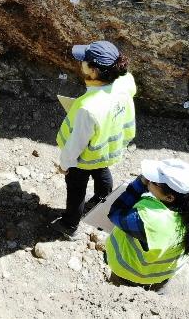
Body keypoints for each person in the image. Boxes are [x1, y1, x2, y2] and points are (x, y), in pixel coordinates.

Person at [54, 40, 137, 239]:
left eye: (84, 61)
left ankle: (70, 224)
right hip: (107, 150)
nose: (80, 63)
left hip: (85, 159)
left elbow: (76, 144)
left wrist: (65, 164)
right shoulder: (125, 82)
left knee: (76, 189)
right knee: (102, 172)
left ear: (93, 71)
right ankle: (102, 201)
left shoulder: (87, 108)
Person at [106, 159, 189, 288]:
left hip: (130, 273)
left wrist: (138, 185)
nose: (147, 179)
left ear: (169, 197)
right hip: (165, 274)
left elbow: (116, 213)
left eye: (153, 182)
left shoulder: (150, 219)